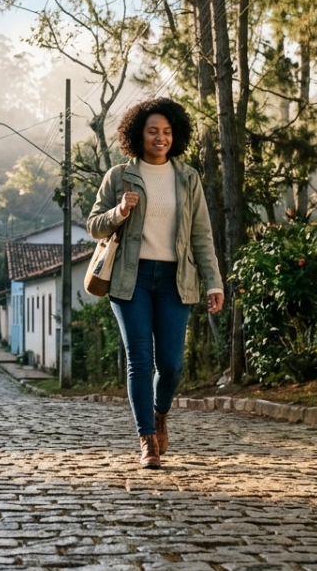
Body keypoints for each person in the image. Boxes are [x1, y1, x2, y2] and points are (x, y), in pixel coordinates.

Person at [86, 98, 224, 469]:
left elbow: (201, 236)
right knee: (140, 361)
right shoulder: (119, 176)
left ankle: (161, 414)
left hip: (175, 280)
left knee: (172, 364)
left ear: (174, 135)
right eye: (152, 131)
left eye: (166, 131)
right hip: (130, 279)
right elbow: (94, 224)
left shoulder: (187, 178)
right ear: (138, 135)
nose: (160, 137)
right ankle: (147, 438)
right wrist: (120, 211)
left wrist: (214, 283)